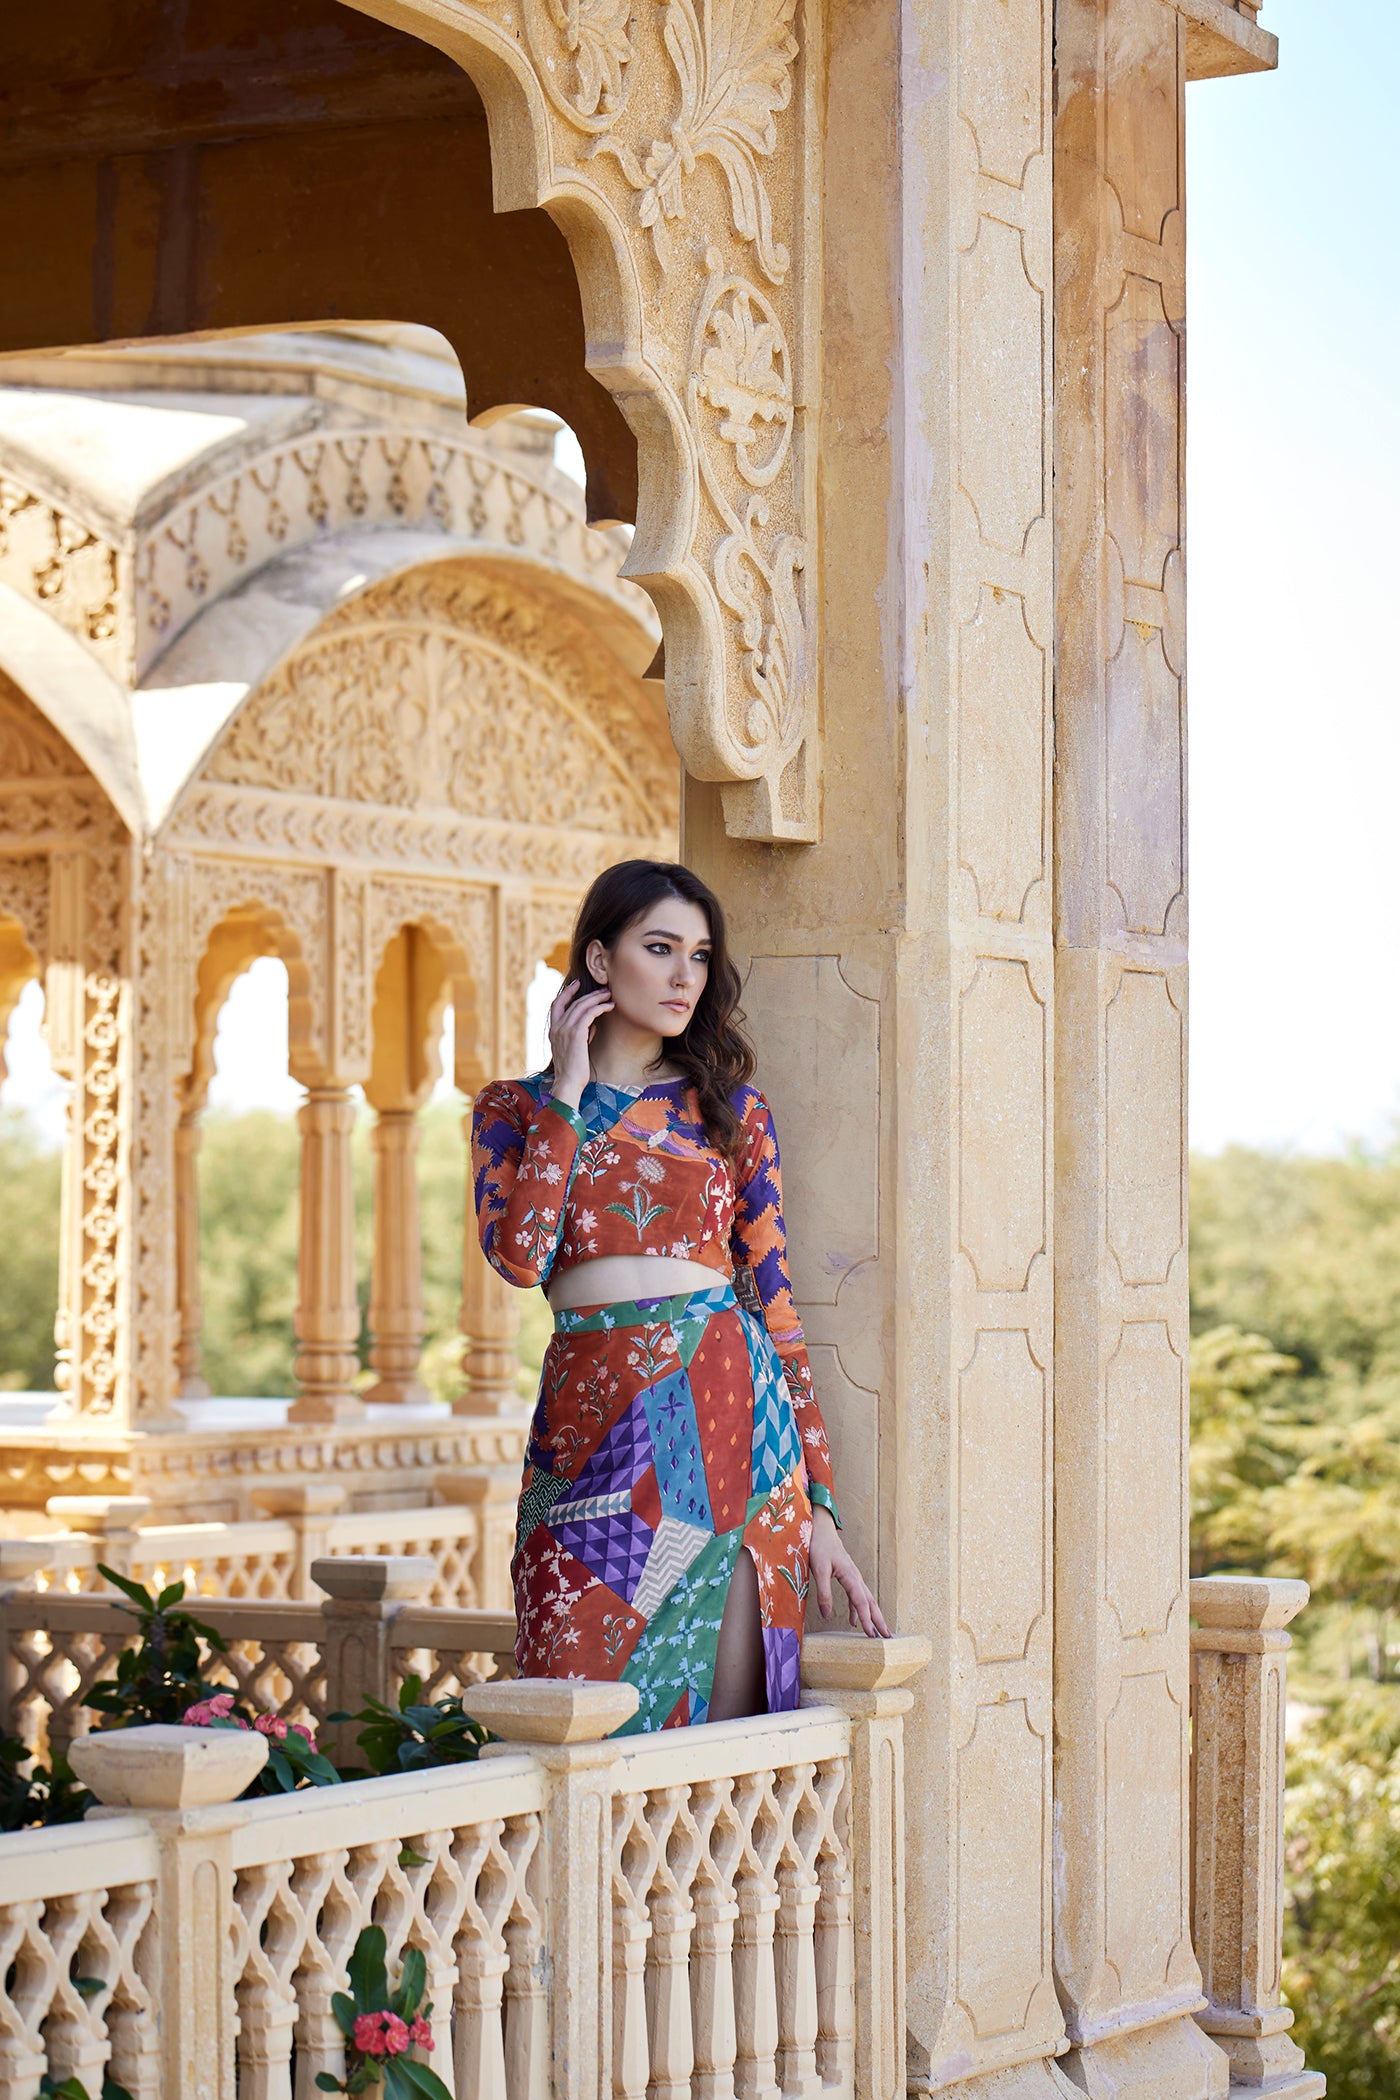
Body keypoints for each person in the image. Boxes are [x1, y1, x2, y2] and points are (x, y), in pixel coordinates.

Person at [470, 859, 886, 1733]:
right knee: (570, 1713)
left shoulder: (730, 1110)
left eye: (698, 955)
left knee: (713, 1739)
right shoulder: (515, 1109)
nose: (683, 976)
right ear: (597, 959)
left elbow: (775, 1308)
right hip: (585, 1434)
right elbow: (520, 1256)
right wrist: (570, 1090)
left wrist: (820, 1504)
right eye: (659, 948)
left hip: (725, 1415)